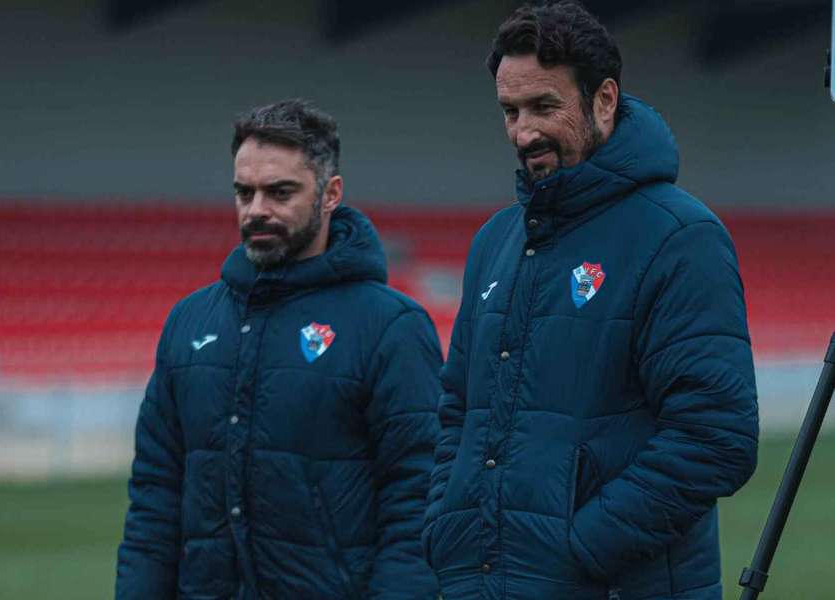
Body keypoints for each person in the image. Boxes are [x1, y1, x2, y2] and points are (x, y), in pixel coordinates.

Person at [422, 2, 759, 599]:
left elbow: (715, 438)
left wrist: (580, 547)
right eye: (510, 111)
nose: (522, 133)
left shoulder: (680, 237)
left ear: (603, 101)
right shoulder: (496, 239)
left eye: (544, 107)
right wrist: (447, 528)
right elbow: (458, 409)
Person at [116, 99, 441, 599]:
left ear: (330, 194)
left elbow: (417, 500)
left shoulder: (391, 326)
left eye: (280, 192)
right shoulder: (190, 322)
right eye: (244, 193)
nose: (257, 210)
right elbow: (155, 497)